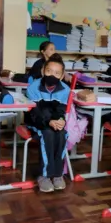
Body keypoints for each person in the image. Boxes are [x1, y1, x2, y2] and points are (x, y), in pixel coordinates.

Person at [26, 55, 70, 193]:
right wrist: (48, 122)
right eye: (49, 71)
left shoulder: (65, 90)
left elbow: (61, 111)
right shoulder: (33, 87)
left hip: (54, 122)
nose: (53, 75)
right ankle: (44, 175)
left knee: (63, 133)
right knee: (48, 134)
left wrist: (60, 121)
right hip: (36, 122)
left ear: (62, 76)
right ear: (43, 71)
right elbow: (35, 114)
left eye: (57, 73)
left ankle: (57, 174)